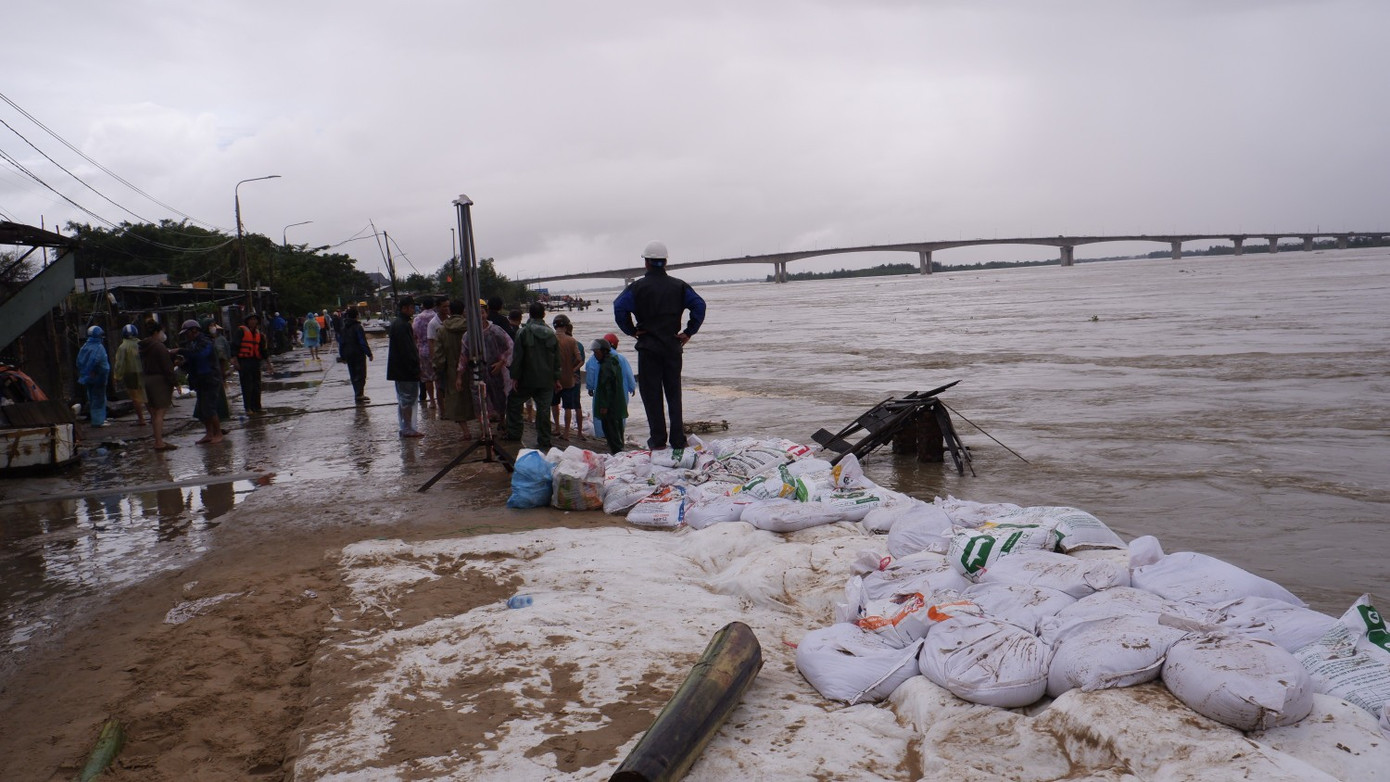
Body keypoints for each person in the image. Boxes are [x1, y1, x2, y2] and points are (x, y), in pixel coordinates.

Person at [613, 240, 706, 450]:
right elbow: (699, 305)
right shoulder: (679, 286)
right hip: (673, 347)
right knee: (674, 394)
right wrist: (689, 332)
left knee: (652, 395)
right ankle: (678, 440)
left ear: (646, 262)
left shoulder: (636, 288)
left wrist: (632, 330)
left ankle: (657, 440)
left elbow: (619, 308)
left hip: (648, 348)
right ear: (665, 262)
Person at [504, 302, 558, 450]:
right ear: (544, 314)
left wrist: (514, 377)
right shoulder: (551, 333)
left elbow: (517, 358)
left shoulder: (522, 332)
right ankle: (544, 440)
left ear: (529, 314)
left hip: (526, 379)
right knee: (544, 410)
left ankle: (514, 433)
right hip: (546, 379)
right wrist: (556, 378)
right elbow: (556, 358)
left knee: (514, 403)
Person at [175, 319, 225, 445]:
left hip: (210, 379)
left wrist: (180, 351)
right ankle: (209, 433)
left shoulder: (205, 342)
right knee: (203, 409)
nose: (187, 336)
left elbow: (199, 355)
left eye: (188, 333)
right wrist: (183, 363)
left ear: (194, 330)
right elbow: (193, 360)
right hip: (200, 380)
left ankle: (218, 433)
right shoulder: (193, 343)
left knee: (210, 408)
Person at [434, 298, 475, 438]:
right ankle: (483, 428)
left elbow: (438, 355)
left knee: (456, 401)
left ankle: (466, 432)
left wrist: (439, 370)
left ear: (450, 311)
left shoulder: (442, 330)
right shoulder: (472, 328)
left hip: (452, 370)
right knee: (476, 397)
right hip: (472, 368)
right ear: (463, 311)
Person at [585, 332, 635, 439]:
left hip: (600, 392)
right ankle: (618, 436)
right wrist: (632, 387)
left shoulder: (594, 358)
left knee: (599, 415)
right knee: (619, 413)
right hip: (621, 391)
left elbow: (590, 373)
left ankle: (601, 436)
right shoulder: (620, 358)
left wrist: (590, 387)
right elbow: (628, 374)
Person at [386, 296, 424, 437]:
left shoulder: (398, 323)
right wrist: (416, 367)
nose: (413, 309)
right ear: (404, 308)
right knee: (408, 398)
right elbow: (408, 350)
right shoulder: (403, 325)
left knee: (404, 398)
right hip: (405, 370)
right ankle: (407, 427)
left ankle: (406, 426)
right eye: (411, 307)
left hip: (400, 369)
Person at [139, 320, 178, 450]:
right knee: (160, 412)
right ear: (156, 332)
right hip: (159, 381)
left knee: (154, 413)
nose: (163, 334)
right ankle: (159, 442)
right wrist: (175, 382)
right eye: (161, 331)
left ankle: (158, 440)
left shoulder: (143, 346)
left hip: (147, 379)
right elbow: (167, 367)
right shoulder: (158, 346)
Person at [475, 308, 513, 421]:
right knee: (481, 396)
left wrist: (501, 363)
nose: (480, 316)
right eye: (477, 313)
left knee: (500, 395)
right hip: (479, 370)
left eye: (482, 312)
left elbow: (510, 347)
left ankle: (502, 419)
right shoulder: (471, 334)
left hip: (497, 369)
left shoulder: (496, 330)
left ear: (486, 313)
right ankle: (487, 423)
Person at [590, 338, 627, 454]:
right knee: (617, 429)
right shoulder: (614, 361)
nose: (595, 355)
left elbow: (607, 387)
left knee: (610, 430)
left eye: (597, 353)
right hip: (617, 403)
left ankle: (617, 452)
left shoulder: (606, 365)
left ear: (604, 351)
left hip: (610, 405)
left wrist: (604, 405)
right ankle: (619, 451)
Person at [551, 314, 584, 440]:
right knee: (568, 406)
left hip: (554, 378)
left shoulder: (551, 339)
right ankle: (566, 433)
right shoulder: (572, 340)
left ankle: (557, 428)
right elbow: (579, 359)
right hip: (568, 378)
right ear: (566, 326)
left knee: (554, 404)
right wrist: (572, 369)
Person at [232, 312, 271, 414]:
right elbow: (234, 347)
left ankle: (257, 407)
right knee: (247, 385)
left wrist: (269, 363)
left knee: (257, 385)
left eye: (255, 319)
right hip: (244, 361)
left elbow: (263, 350)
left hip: (255, 361)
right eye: (251, 319)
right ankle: (248, 408)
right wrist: (235, 361)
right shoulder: (241, 331)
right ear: (247, 321)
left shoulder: (259, 334)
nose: (253, 321)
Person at [77, 325, 111, 428]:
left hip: (88, 377)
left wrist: (85, 373)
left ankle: (98, 418)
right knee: (99, 398)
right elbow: (96, 360)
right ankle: (98, 421)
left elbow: (79, 361)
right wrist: (94, 371)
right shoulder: (98, 347)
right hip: (99, 375)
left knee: (92, 397)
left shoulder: (85, 346)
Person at [112, 323, 147, 426]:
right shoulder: (141, 343)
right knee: (145, 395)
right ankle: (153, 417)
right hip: (143, 372)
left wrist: (117, 376)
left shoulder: (122, 347)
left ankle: (141, 419)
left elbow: (120, 363)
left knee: (135, 397)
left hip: (130, 374)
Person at [338, 308, 373, 403]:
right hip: (358, 353)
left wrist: (342, 356)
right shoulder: (358, 327)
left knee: (353, 374)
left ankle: (357, 393)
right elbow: (362, 341)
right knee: (361, 374)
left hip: (348, 354)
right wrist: (369, 353)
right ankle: (359, 394)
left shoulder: (343, 328)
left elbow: (341, 343)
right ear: (356, 315)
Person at [413, 296, 439, 406]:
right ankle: (441, 400)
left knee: (428, 377)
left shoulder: (417, 319)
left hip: (423, 350)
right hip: (437, 349)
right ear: (434, 305)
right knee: (438, 376)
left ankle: (432, 401)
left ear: (422, 306)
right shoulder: (437, 317)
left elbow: (414, 335)